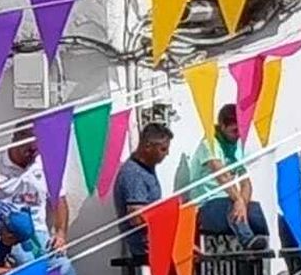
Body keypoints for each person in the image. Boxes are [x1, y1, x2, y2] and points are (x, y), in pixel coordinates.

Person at [0, 132, 79, 275]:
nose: (33, 155)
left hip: (40, 233)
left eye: (36, 151)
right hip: (11, 234)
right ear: (15, 140)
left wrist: (60, 234)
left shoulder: (45, 164)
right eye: (28, 151)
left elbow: (59, 200)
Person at [186, 103, 270, 245]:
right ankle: (248, 240)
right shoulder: (209, 144)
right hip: (207, 206)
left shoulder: (236, 147)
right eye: (234, 131)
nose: (238, 135)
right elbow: (222, 175)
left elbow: (245, 182)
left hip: (230, 201)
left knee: (259, 212)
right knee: (233, 207)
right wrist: (238, 201)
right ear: (222, 126)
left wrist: (242, 202)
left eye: (240, 131)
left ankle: (293, 253)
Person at [111, 121, 174, 261]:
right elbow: (137, 218)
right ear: (147, 147)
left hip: (157, 240)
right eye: (163, 149)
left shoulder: (146, 169)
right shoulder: (134, 174)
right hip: (145, 244)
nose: (167, 154)